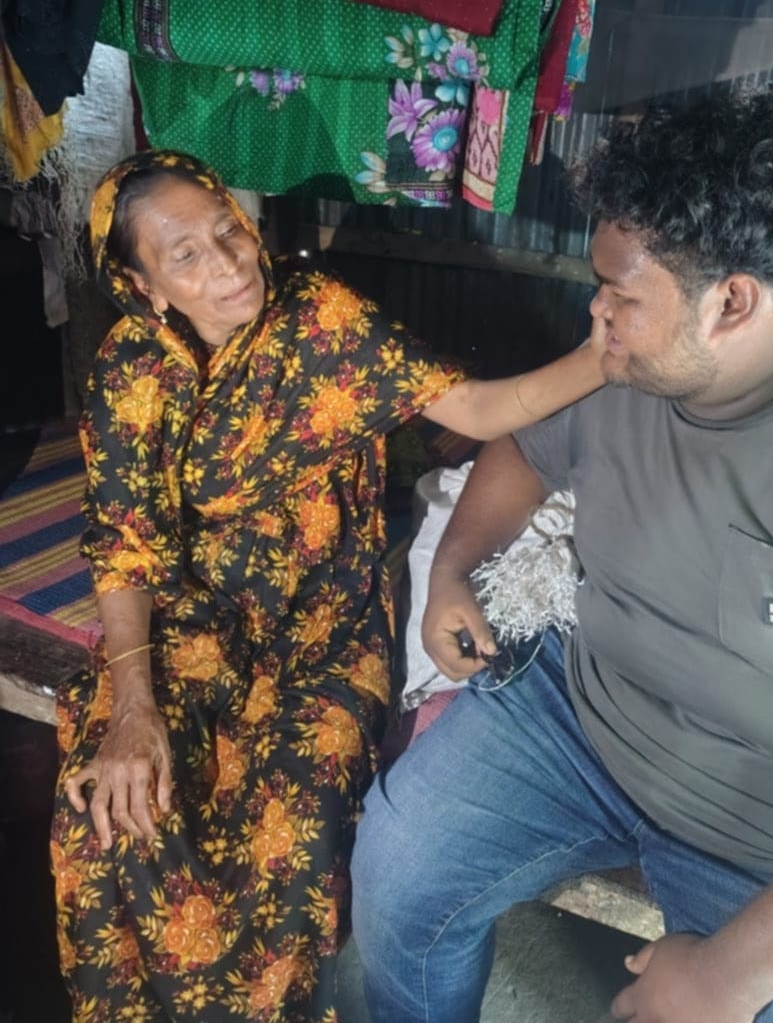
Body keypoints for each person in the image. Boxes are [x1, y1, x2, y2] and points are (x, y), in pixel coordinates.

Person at [350, 88, 773, 1023]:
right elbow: (522, 446)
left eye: (621, 293)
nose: (597, 311)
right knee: (397, 867)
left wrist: (728, 976)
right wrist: (451, 568)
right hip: (583, 719)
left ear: (732, 303)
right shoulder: (626, 365)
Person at [51, 150, 604, 1023]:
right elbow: (124, 542)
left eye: (227, 229)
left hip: (325, 621)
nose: (228, 261)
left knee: (296, 832)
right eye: (186, 255)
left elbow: (480, 409)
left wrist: (609, 352)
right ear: (147, 287)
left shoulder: (320, 320)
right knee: (111, 812)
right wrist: (132, 707)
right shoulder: (132, 368)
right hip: (192, 620)